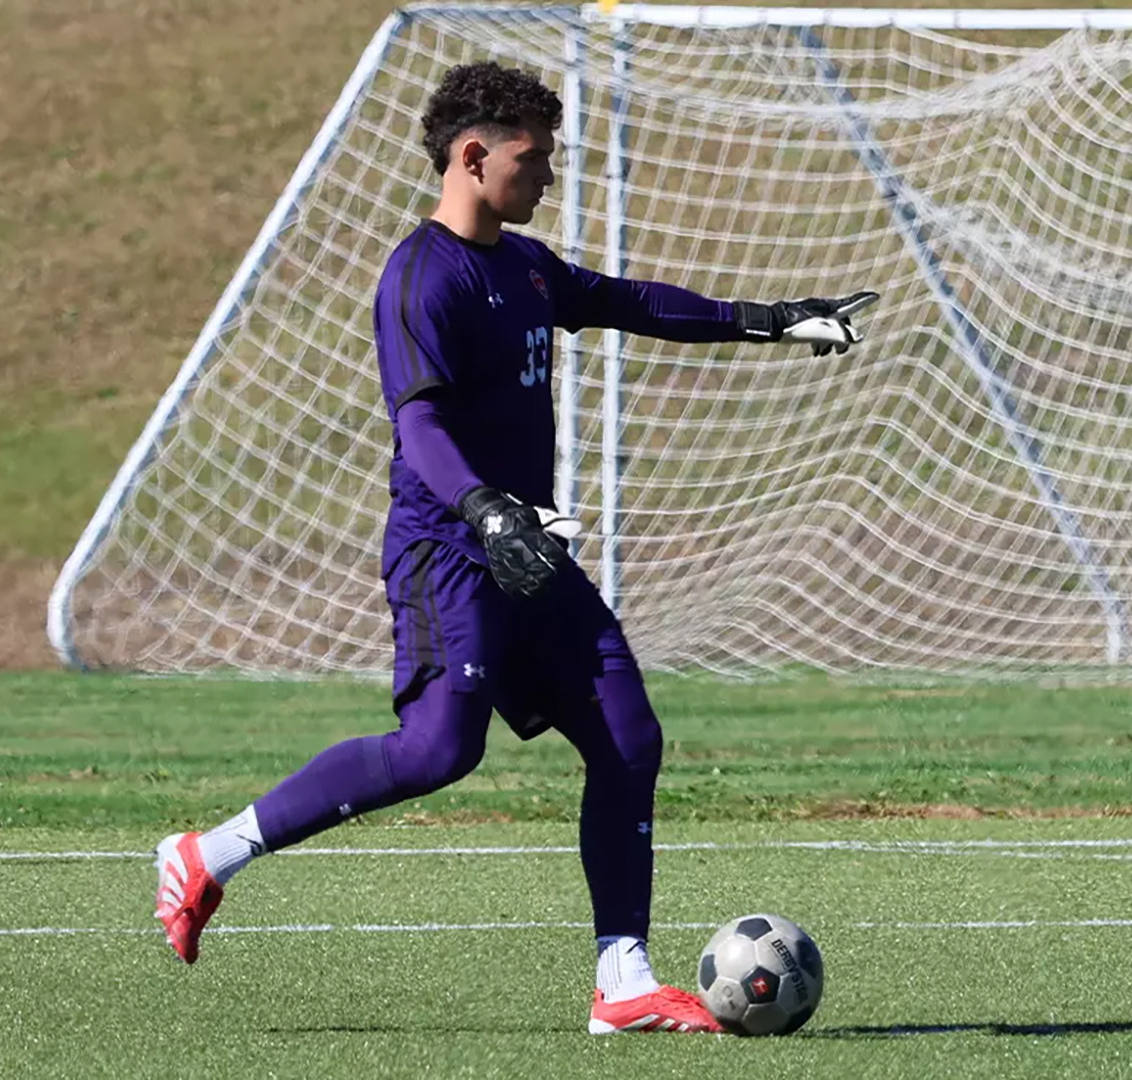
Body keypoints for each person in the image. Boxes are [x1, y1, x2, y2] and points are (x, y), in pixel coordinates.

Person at [154, 59, 874, 1035]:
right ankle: (208, 855)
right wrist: (489, 511)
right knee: (439, 749)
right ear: (473, 154)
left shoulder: (524, 266)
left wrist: (765, 320)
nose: (545, 178)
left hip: (526, 551)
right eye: (533, 159)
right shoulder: (421, 277)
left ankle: (622, 980)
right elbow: (420, 427)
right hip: (450, 550)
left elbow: (629, 301)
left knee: (629, 737)